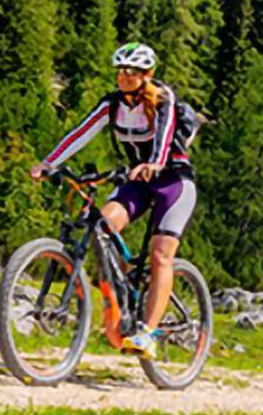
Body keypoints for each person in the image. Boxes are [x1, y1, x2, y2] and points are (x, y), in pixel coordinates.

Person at [30, 41, 197, 358]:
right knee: (104, 226)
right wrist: (49, 163)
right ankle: (121, 296)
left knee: (161, 253)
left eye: (132, 71)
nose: (124, 77)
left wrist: (157, 163)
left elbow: (163, 134)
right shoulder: (112, 105)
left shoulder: (163, 99)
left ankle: (147, 333)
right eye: (120, 71)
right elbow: (81, 132)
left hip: (173, 182)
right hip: (138, 180)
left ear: (146, 74)